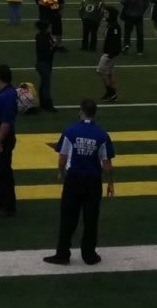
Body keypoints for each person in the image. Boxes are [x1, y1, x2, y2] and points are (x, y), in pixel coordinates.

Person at [44, 99, 115, 266]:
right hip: (93, 182)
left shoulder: (70, 131)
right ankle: (89, 255)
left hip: (74, 180)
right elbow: (107, 165)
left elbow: (62, 159)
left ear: (81, 112)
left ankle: (62, 254)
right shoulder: (102, 134)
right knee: (91, 219)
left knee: (68, 218)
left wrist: (61, 174)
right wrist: (110, 183)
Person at [0, 64, 20, 216]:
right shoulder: (5, 93)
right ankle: (0, 200)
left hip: (2, 139)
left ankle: (8, 205)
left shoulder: (7, 96)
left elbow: (6, 122)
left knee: (3, 171)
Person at [34, 18, 59, 113]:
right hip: (44, 63)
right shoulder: (42, 38)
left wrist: (54, 46)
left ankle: (42, 102)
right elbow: (47, 52)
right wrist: (54, 47)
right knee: (46, 84)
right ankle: (48, 104)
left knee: (44, 83)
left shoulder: (44, 36)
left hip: (44, 63)